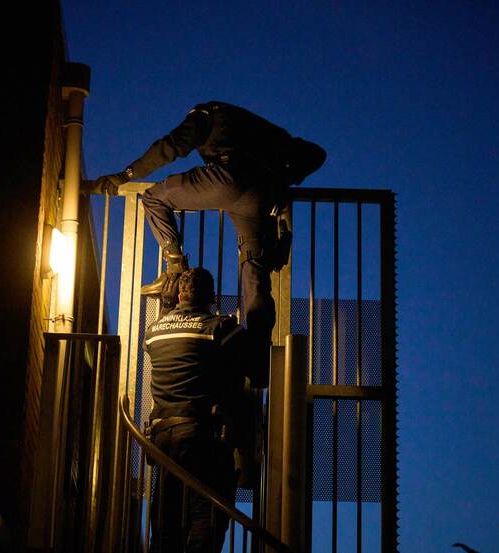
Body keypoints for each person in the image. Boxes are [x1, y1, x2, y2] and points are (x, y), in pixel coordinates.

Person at [90, 101, 326, 385]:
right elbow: (315, 154)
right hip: (260, 195)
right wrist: (281, 182)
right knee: (254, 272)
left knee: (154, 198)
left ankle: (175, 270)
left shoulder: (207, 115)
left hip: (227, 179)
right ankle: (259, 358)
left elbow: (171, 146)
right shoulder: (265, 129)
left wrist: (126, 175)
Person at [143, 267, 247, 553]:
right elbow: (245, 364)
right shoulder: (220, 328)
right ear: (212, 297)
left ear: (179, 295)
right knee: (207, 514)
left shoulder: (153, 332)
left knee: (165, 521)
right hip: (201, 435)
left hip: (162, 438)